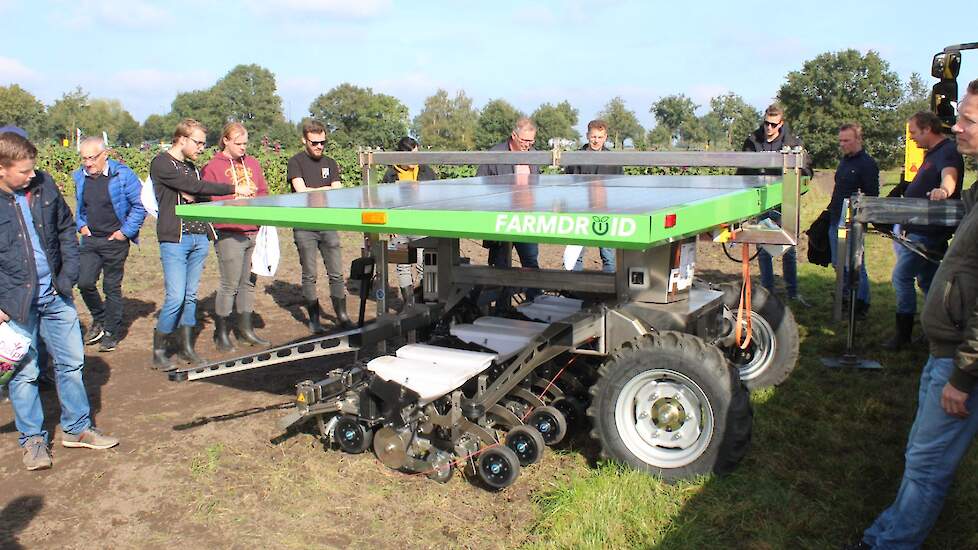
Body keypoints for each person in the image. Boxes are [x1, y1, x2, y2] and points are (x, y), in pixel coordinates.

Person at [849, 78, 978, 550]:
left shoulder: (952, 166)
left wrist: (964, 377)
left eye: (967, 119)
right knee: (920, 457)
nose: (957, 127)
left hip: (959, 362)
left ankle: (886, 543)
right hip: (948, 351)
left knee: (927, 463)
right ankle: (885, 532)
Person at [0, 131, 119, 471]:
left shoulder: (43, 185)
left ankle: (78, 428)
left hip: (55, 294)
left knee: (72, 363)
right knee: (25, 374)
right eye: (23, 171)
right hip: (14, 304)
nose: (31, 175)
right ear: (2, 169)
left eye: (33, 168)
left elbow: (66, 228)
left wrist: (67, 278)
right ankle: (33, 441)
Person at [149, 119, 235, 370]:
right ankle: (159, 349)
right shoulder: (162, 163)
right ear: (182, 139)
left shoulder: (190, 167)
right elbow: (193, 187)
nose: (201, 148)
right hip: (175, 238)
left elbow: (198, 191)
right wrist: (232, 188)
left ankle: (187, 348)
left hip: (198, 237)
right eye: (197, 142)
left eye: (203, 143)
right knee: (175, 296)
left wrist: (196, 192)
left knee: (190, 296)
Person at [882, 111, 964, 350]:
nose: (913, 138)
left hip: (927, 232)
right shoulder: (934, 153)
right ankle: (935, 330)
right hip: (921, 229)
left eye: (914, 133)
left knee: (901, 277)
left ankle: (903, 335)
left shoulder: (947, 151)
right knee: (929, 282)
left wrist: (944, 191)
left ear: (928, 128)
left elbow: (950, 177)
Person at [72, 136, 146, 352]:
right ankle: (100, 317)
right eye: (84, 158)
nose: (87, 163)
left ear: (105, 155)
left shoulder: (123, 175)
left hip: (115, 240)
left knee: (111, 287)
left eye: (92, 158)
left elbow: (139, 206)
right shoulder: (80, 176)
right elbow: (80, 206)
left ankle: (112, 331)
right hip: (90, 239)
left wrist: (125, 232)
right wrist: (81, 225)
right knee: (84, 282)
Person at [202, 122, 271, 351]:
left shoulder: (252, 163)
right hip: (230, 231)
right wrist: (234, 193)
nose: (243, 147)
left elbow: (262, 191)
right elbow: (211, 198)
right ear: (226, 141)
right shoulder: (213, 167)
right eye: (238, 143)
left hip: (253, 230)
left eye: (245, 143)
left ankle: (245, 329)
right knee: (229, 283)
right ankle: (221, 332)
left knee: (248, 283)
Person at [286, 119, 353, 333]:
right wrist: (324, 190)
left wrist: (316, 190)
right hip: (305, 226)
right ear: (304, 140)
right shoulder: (295, 162)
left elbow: (338, 191)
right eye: (314, 143)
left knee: (336, 273)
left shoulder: (331, 163)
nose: (319, 147)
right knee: (310, 274)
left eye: (322, 142)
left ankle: (341, 316)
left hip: (327, 223)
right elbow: (300, 190)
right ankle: (314, 319)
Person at [739, 104, 810, 306]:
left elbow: (806, 168)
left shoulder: (793, 144)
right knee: (762, 247)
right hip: (760, 201)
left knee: (788, 247)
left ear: (781, 124)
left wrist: (800, 185)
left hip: (784, 201)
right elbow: (743, 170)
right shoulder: (753, 141)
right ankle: (767, 291)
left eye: (773, 124)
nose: (768, 128)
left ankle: (793, 292)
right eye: (766, 123)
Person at [476, 117, 541, 298]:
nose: (528, 145)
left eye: (531, 141)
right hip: (501, 221)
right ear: (514, 135)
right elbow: (480, 185)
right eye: (525, 140)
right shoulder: (495, 154)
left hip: (526, 219)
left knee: (530, 263)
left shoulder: (534, 155)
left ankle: (535, 305)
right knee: (500, 267)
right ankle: (501, 309)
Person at [828, 123, 879, 320]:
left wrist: (859, 218)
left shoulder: (867, 164)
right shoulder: (844, 162)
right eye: (840, 140)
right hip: (835, 219)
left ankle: (861, 302)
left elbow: (871, 196)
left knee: (855, 264)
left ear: (858, 140)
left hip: (853, 222)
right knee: (838, 263)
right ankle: (846, 297)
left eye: (846, 140)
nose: (842, 144)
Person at [381, 136, 438, 309]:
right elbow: (384, 201)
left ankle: (429, 303)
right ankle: (409, 304)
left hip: (422, 226)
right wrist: (390, 225)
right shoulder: (390, 175)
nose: (416, 159)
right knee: (403, 266)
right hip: (398, 228)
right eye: (412, 155)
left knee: (427, 265)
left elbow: (436, 197)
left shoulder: (427, 172)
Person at [564, 119, 622, 273]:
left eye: (600, 137)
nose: (596, 140)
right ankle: (573, 287)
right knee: (576, 254)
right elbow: (568, 183)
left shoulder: (613, 160)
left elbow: (619, 186)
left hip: (605, 212)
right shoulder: (576, 158)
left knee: (608, 254)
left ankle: (609, 288)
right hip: (580, 211)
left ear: (606, 137)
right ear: (587, 136)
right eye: (593, 137)